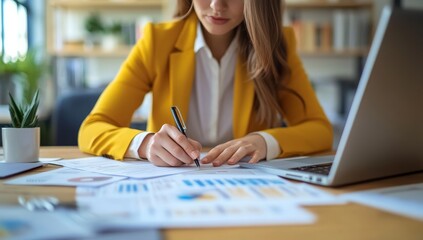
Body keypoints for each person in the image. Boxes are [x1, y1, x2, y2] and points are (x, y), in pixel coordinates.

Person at [78, 0, 333, 167]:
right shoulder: (157, 42)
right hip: (169, 192)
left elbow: (320, 131)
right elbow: (92, 128)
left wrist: (264, 141)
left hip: (248, 196)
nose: (216, 5)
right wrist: (146, 144)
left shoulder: (278, 45)